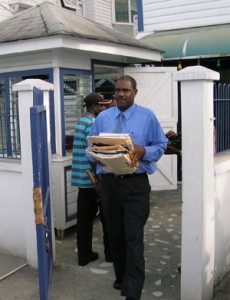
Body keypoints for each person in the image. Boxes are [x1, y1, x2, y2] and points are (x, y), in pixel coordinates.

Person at [88, 75, 168, 300]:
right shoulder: (103, 118)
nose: (121, 94)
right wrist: (96, 157)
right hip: (110, 185)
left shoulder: (147, 116)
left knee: (133, 236)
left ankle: (133, 289)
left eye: (126, 90)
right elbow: (90, 143)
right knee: (115, 235)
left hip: (135, 185)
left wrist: (145, 151)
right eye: (118, 90)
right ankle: (121, 276)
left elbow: (161, 145)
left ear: (135, 92)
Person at [71, 93, 112, 266]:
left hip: (82, 179)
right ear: (93, 106)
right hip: (94, 181)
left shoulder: (81, 122)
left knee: (84, 221)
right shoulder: (92, 123)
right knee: (108, 219)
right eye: (101, 106)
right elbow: (93, 155)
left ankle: (84, 256)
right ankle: (110, 254)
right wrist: (100, 181)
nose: (103, 109)